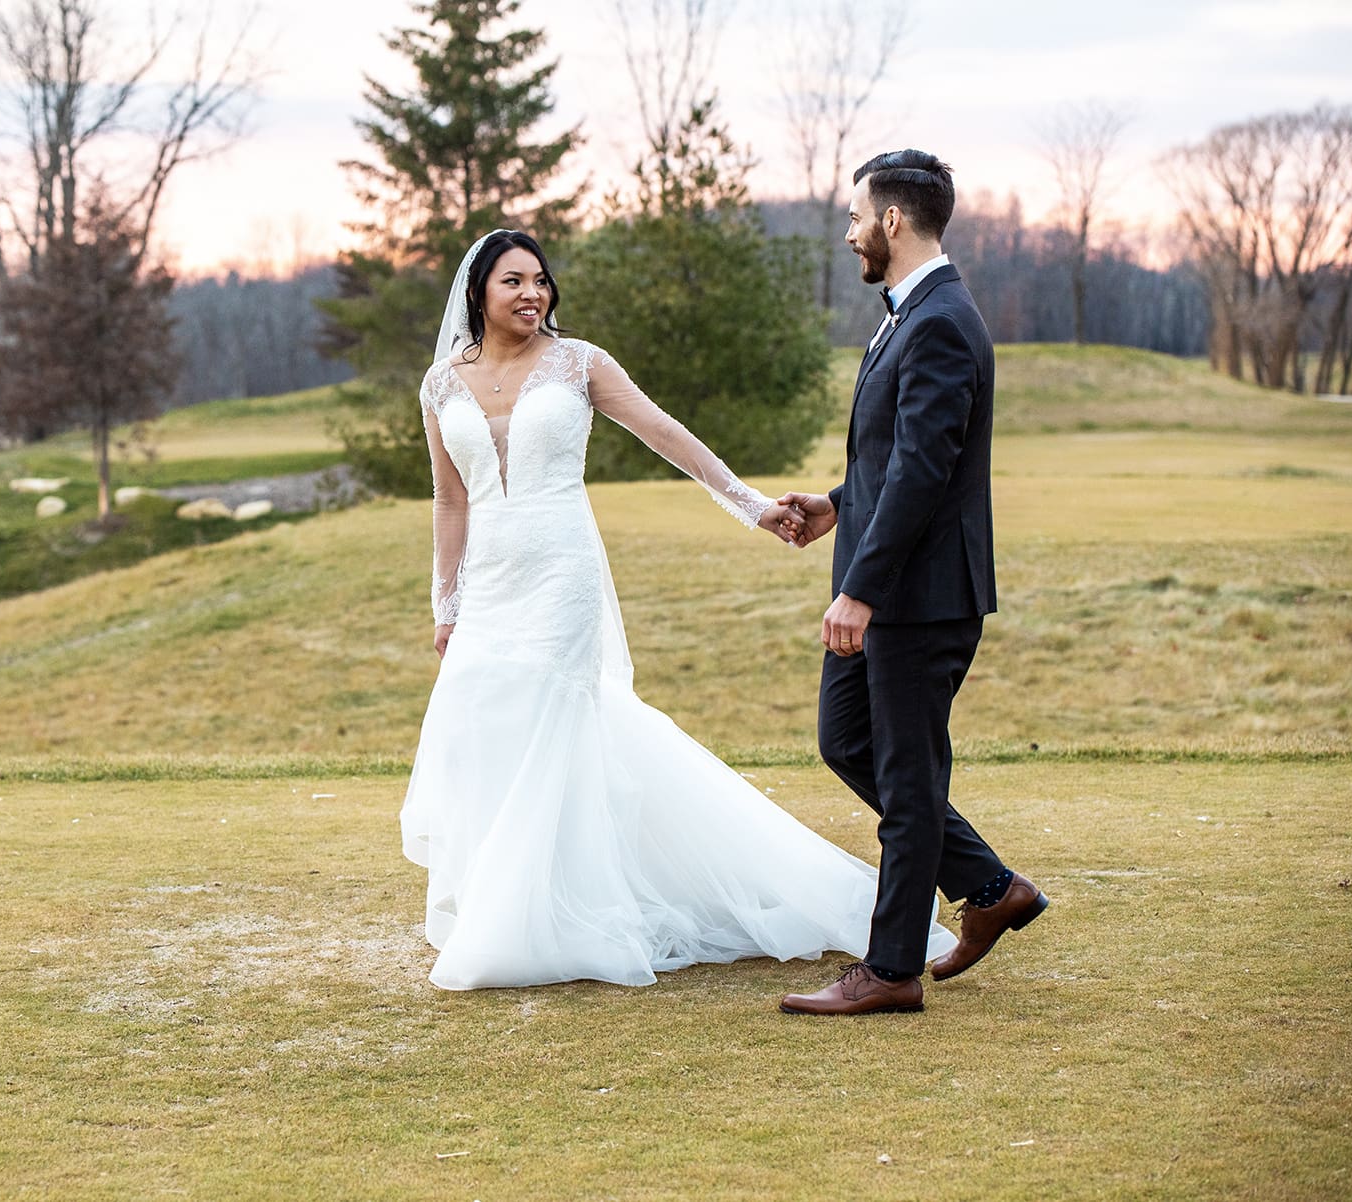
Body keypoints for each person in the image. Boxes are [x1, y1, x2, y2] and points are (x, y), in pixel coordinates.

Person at [400, 228, 958, 991]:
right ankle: (511, 901)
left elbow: (668, 435)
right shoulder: (441, 384)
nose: (533, 293)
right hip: (491, 582)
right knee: (481, 726)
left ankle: (536, 917)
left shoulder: (579, 362)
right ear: (478, 294)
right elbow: (449, 498)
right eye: (513, 282)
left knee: (549, 722)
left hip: (563, 574)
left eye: (541, 280)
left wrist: (754, 507)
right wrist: (446, 601)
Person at [775, 150, 1048, 1017]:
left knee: (907, 776)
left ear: (893, 221)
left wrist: (862, 588)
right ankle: (991, 887)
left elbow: (926, 473)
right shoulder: (909, 312)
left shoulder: (937, 319)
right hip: (892, 582)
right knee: (847, 741)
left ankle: (890, 970)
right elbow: (894, 458)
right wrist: (833, 501)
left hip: (918, 597)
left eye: (856, 216)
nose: (849, 230)